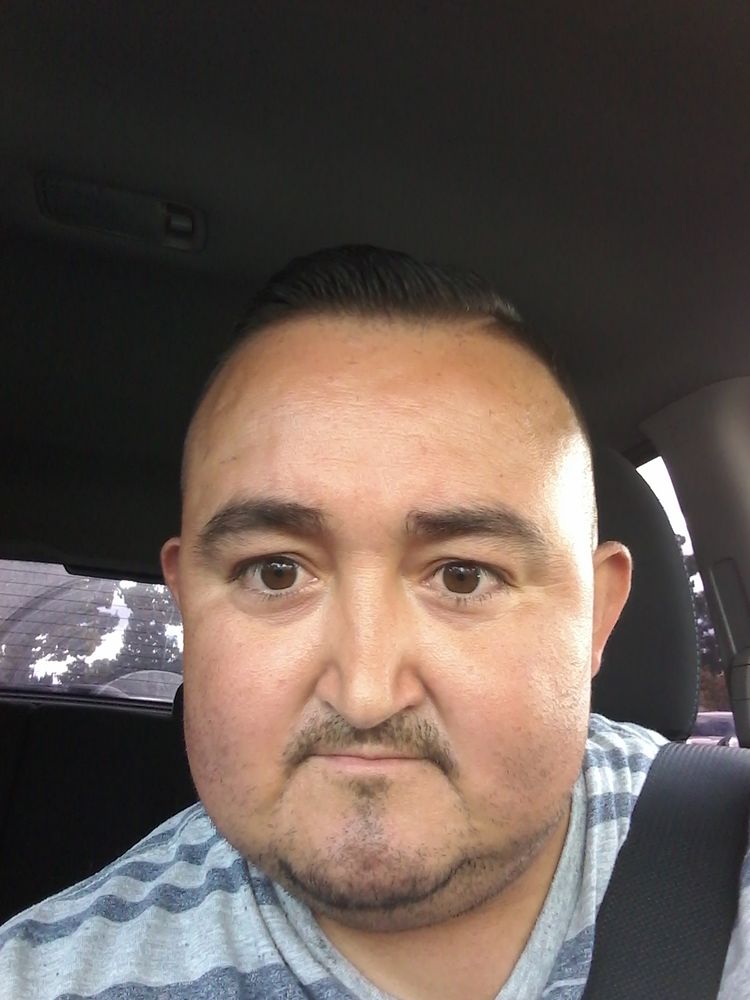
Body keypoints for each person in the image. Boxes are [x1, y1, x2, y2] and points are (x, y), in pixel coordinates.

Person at [0, 246, 747, 999]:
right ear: (188, 607)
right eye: (276, 572)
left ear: (596, 618)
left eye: (462, 576)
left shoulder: (726, 857)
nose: (364, 695)